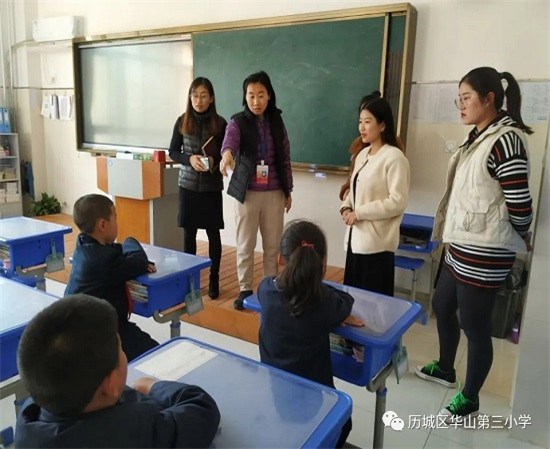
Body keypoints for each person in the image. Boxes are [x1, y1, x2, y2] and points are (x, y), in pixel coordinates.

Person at [415, 67, 533, 421]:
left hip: (485, 251)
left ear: (489, 99)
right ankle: (447, 368)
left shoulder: (506, 140)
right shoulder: (478, 137)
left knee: (475, 325)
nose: (460, 105)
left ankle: (470, 397)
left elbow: (521, 207)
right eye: (458, 99)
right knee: (441, 302)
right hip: (461, 245)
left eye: (466, 98)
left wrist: (519, 232)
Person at [15, 294, 221, 448]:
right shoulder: (136, 430)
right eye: (120, 349)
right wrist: (153, 386)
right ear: (111, 384)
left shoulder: (28, 420)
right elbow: (202, 409)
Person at [257, 220, 363, 448]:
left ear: (280, 259)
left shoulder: (266, 291)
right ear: (323, 266)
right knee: (345, 424)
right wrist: (318, 285)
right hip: (315, 403)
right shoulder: (325, 303)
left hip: (274, 395)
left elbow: (270, 284)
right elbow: (346, 301)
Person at [220, 71, 293, 310]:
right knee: (245, 244)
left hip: (274, 192)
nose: (256, 101)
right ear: (245, 97)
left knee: (272, 246)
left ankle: (269, 286)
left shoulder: (277, 122)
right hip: (247, 193)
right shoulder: (237, 122)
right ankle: (245, 289)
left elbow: (284, 157)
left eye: (261, 95)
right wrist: (227, 155)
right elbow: (229, 142)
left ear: (269, 96)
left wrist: (288, 190)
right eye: (251, 95)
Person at [65, 194, 159, 361]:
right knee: (156, 356)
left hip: (81, 326)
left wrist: (127, 252)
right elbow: (138, 260)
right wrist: (130, 239)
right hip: (98, 333)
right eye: (115, 218)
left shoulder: (84, 244)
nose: (117, 222)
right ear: (102, 225)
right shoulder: (103, 260)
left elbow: (118, 249)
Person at [340, 92, 410, 296]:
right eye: (360, 121)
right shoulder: (362, 154)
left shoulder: (394, 158)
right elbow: (355, 188)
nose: (361, 127)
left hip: (377, 246)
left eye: (367, 122)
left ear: (382, 124)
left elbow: (398, 201)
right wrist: (346, 206)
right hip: (356, 241)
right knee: (353, 300)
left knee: (375, 307)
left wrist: (359, 213)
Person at [168, 77, 227, 299]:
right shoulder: (182, 121)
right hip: (188, 186)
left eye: (203, 95)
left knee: (214, 234)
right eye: (194, 95)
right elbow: (172, 151)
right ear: (189, 97)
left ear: (211, 98)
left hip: (211, 187)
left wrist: (214, 161)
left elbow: (228, 153)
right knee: (189, 234)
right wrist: (188, 158)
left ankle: (214, 279)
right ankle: (190, 280)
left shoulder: (221, 124)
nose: (198, 100)